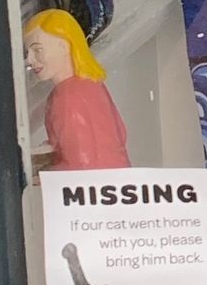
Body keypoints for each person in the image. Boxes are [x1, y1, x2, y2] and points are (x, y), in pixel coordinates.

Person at [23, 9, 129, 170]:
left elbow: (80, 161)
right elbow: (119, 134)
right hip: (115, 184)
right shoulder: (93, 85)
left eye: (37, 50)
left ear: (63, 46)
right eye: (28, 52)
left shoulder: (66, 96)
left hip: (89, 188)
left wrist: (46, 173)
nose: (30, 60)